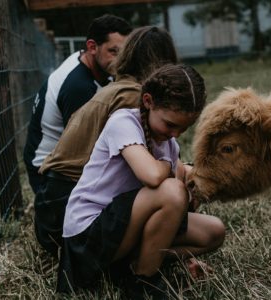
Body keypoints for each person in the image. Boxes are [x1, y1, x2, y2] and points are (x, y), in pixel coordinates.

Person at [57, 64, 226, 299]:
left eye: (184, 128)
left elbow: (174, 211)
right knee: (173, 191)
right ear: (148, 101)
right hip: (89, 235)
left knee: (214, 231)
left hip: (125, 228)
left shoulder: (168, 142)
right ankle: (142, 282)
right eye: (170, 124)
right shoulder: (123, 122)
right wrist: (171, 165)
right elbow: (152, 176)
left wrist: (189, 259)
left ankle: (140, 262)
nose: (175, 134)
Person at [33, 26, 179, 257]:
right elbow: (148, 174)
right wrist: (171, 166)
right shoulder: (133, 97)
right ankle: (138, 268)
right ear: (165, 62)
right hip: (67, 213)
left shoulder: (118, 87)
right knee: (169, 198)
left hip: (53, 201)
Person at [23, 14, 132, 194]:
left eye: (124, 53)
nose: (121, 60)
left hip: (55, 164)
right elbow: (84, 148)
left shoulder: (84, 61)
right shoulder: (79, 88)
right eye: (114, 52)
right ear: (92, 47)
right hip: (48, 176)